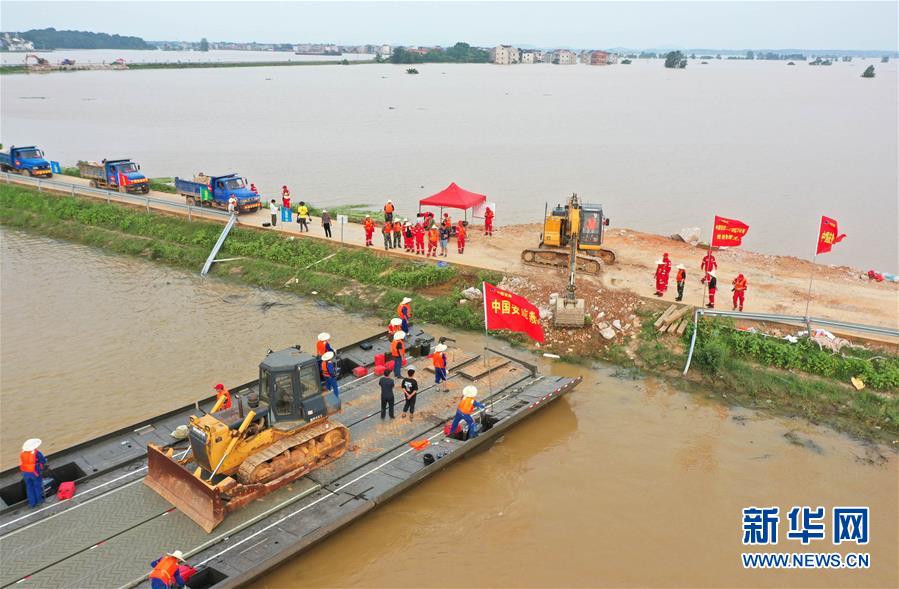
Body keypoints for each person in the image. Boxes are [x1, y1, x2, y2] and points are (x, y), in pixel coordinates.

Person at [20, 438, 47, 509]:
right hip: (35, 473)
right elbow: (43, 461)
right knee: (37, 487)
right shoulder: (36, 453)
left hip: (25, 473)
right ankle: (39, 501)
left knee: (29, 488)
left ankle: (32, 503)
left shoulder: (22, 452)